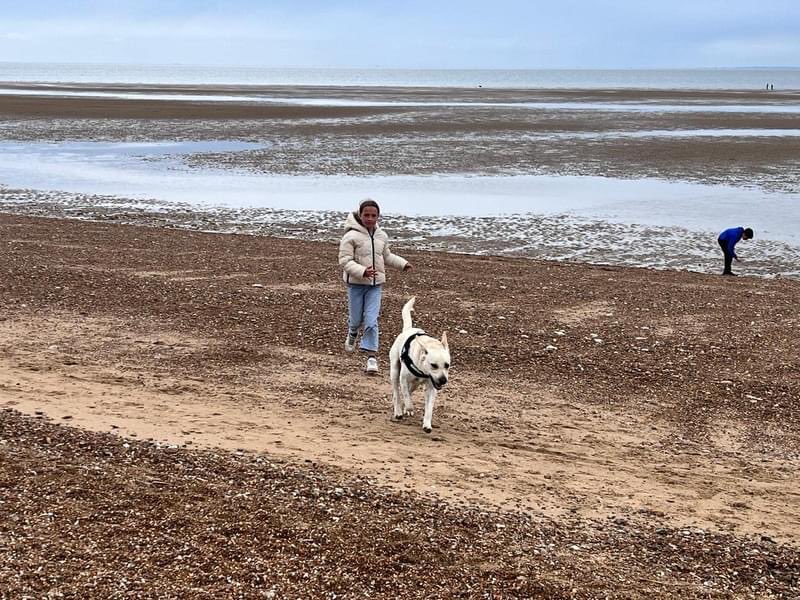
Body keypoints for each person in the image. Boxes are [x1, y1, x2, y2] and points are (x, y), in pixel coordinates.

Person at [338, 199, 412, 374]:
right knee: (356, 319)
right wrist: (362, 271)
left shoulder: (381, 236)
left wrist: (402, 264)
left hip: (375, 285)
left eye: (373, 215)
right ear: (360, 215)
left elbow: (386, 256)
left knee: (371, 321)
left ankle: (371, 358)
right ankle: (353, 332)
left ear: (378, 216)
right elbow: (345, 261)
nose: (370, 218)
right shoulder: (350, 236)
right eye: (367, 215)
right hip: (356, 284)